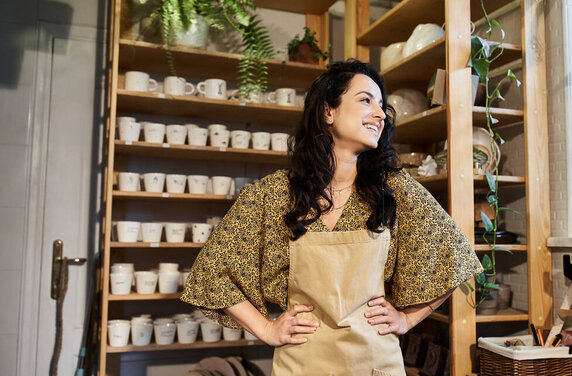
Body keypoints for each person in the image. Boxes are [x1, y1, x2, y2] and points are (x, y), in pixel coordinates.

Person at [181, 59, 483, 375]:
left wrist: (408, 318)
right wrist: (266, 329)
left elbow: (457, 258)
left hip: (375, 365)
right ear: (329, 111)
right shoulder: (275, 194)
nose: (380, 114)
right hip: (302, 365)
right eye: (366, 100)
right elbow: (212, 271)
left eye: (382, 105)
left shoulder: (393, 190)